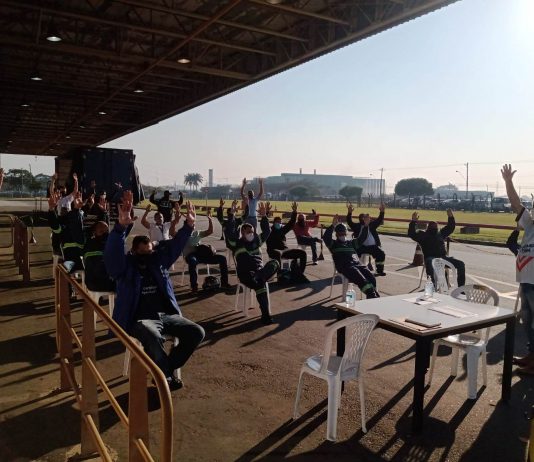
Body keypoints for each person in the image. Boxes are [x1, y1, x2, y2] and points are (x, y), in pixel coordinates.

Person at [104, 196, 205, 390]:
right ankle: (165, 378)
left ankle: (165, 370)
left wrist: (188, 226)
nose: (146, 255)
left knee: (197, 332)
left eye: (149, 251)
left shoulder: (158, 264)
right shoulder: (124, 269)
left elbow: (175, 246)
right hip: (139, 320)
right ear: (133, 252)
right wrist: (119, 228)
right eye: (141, 252)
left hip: (166, 316)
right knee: (152, 336)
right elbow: (112, 256)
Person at [501, 164, 534, 374]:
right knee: (528, 321)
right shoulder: (529, 224)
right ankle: (531, 355)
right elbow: (515, 204)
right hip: (526, 280)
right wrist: (508, 182)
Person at [225, 201, 279, 325]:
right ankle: (266, 316)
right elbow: (229, 233)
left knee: (275, 262)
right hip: (246, 274)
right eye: (248, 232)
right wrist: (231, 215)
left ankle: (259, 276)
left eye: (252, 231)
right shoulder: (236, 244)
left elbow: (267, 231)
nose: (251, 234)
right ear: (242, 233)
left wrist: (264, 216)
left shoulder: (256, 241)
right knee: (260, 284)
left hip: (258, 272)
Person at [323, 215, 379, 299]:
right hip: (345, 266)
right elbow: (326, 237)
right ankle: (371, 294)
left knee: (370, 276)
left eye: (343, 232)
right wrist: (333, 225)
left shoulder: (351, 243)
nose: (342, 234)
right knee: (360, 277)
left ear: (346, 233)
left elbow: (362, 238)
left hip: (357, 265)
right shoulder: (333, 244)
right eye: (340, 233)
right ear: (336, 234)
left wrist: (366, 226)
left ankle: (373, 295)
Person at [408, 208, 465, 288]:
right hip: (433, 259)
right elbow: (450, 227)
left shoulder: (433, 234)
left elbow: (411, 234)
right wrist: (451, 217)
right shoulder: (428, 235)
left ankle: (461, 289)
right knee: (430, 262)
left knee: (461, 264)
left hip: (441, 259)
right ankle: (432, 286)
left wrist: (413, 221)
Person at [181, 209, 229, 292]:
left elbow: (210, 231)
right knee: (192, 261)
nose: (193, 225)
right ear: (186, 225)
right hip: (191, 255)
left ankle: (224, 283)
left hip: (201, 254)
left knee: (222, 259)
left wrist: (210, 220)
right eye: (191, 223)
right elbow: (171, 232)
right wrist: (175, 221)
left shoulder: (197, 233)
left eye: (193, 223)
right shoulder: (182, 234)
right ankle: (194, 286)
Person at [48, 189, 86, 273]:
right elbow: (56, 228)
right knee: (71, 273)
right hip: (70, 254)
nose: (64, 210)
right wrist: (51, 209)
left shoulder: (80, 217)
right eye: (62, 209)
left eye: (66, 209)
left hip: (82, 254)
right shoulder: (63, 221)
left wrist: (104, 213)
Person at [266, 201, 307, 276]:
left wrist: (294, 212)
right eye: (277, 222)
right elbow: (264, 224)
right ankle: (280, 274)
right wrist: (266, 213)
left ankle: (300, 274)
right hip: (273, 250)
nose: (279, 223)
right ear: (273, 223)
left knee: (302, 253)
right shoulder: (269, 231)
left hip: (285, 250)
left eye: (280, 222)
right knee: (278, 254)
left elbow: (291, 223)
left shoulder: (282, 230)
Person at [346, 203, 387, 276]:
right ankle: (355, 270)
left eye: (368, 217)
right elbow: (349, 222)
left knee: (381, 254)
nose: (367, 219)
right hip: (361, 247)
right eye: (365, 217)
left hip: (373, 247)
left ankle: (379, 271)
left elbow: (379, 219)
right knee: (354, 254)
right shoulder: (357, 226)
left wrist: (382, 211)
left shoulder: (372, 225)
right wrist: (349, 212)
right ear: (362, 219)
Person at [83, 221, 115, 292]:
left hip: (94, 282)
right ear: (94, 232)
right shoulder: (93, 246)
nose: (105, 234)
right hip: (98, 283)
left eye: (107, 231)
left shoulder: (93, 243)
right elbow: (98, 268)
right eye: (101, 232)